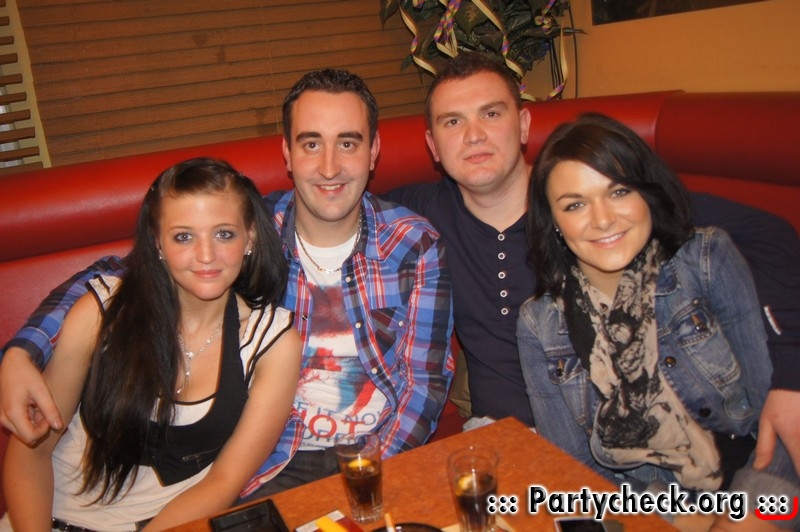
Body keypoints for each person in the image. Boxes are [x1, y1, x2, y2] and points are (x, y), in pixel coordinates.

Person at [0, 69, 454, 500]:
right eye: (311, 143)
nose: (329, 166)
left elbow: (424, 383)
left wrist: (370, 473)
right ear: (287, 153)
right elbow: (123, 274)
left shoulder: (413, 244)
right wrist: (23, 352)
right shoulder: (247, 234)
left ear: (374, 151)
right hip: (274, 458)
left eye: (348, 143)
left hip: (379, 450)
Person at [384, 51, 800, 475]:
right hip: (500, 439)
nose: (474, 135)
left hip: (617, 444)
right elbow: (345, 207)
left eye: (491, 113)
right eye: (453, 121)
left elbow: (767, 234)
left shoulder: (593, 204)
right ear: (433, 145)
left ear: (523, 125)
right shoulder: (416, 216)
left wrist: (791, 376)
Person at [516, 113, 799, 530]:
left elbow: (777, 431)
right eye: (575, 204)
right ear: (554, 223)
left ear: (647, 193)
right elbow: (572, 471)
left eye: (618, 191)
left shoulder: (706, 260)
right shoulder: (539, 322)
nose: (603, 219)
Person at [1, 158, 302, 531]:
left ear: (250, 238)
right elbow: (32, 450)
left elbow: (223, 481)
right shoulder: (102, 311)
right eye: (183, 236)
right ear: (158, 243)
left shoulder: (272, 342)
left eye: (224, 234)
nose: (206, 255)